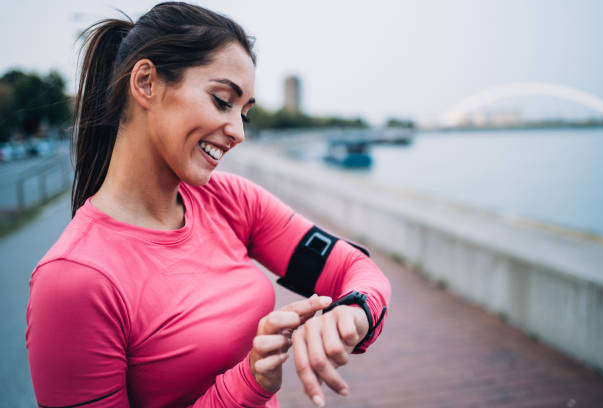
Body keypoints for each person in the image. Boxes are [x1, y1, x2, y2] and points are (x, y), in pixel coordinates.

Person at [25, 2, 391, 407]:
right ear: (145, 82)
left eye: (244, 113)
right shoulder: (74, 281)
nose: (237, 132)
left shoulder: (231, 200)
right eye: (221, 100)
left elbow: (356, 270)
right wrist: (249, 381)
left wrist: (354, 312)